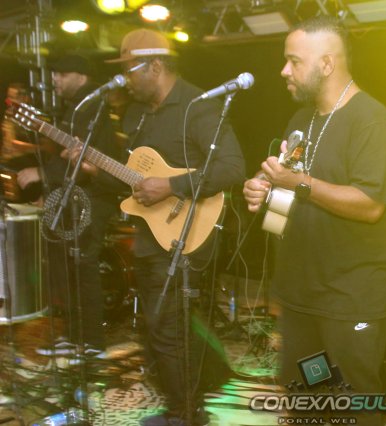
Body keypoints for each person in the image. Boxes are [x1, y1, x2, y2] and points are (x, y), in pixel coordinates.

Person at [243, 16, 386, 424]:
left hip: (352, 296)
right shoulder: (302, 120)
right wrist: (263, 185)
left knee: (354, 401)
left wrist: (296, 183)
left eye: (294, 61)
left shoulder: (372, 121)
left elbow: (370, 205)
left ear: (327, 64)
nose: (284, 71)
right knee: (307, 394)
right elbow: (288, 180)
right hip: (302, 294)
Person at [100, 29, 245, 426]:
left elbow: (232, 167)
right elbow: (136, 178)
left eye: (130, 70)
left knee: (168, 327)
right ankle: (191, 396)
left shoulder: (197, 106)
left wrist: (171, 186)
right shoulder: (139, 114)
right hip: (152, 235)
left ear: (156, 66)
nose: (125, 79)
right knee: (159, 326)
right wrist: (92, 162)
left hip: (189, 232)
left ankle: (187, 414)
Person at [17, 54, 121, 358]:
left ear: (81, 76)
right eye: (55, 74)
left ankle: (94, 342)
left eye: (62, 74)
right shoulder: (76, 107)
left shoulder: (93, 107)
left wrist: (42, 174)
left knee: (82, 265)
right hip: (74, 195)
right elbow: (66, 157)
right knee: (66, 265)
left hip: (96, 195)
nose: (55, 80)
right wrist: (49, 190)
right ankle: (75, 335)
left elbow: (85, 159)